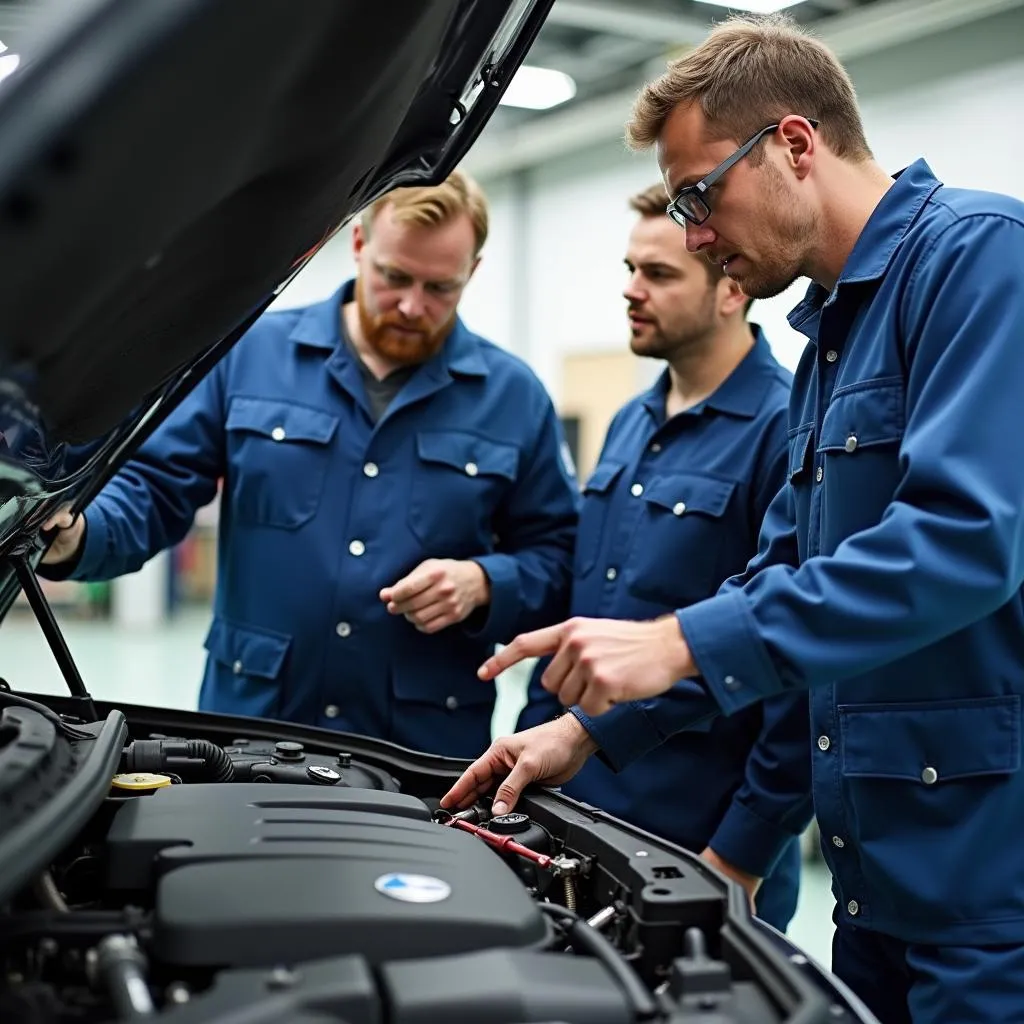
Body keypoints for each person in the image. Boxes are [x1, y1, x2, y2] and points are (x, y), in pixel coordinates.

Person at [442, 14, 1024, 1023]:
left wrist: (674, 641)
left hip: (986, 887)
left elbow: (962, 541)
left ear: (795, 145)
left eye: (700, 196)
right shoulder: (832, 338)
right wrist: (586, 729)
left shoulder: (981, 262)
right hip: (877, 882)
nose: (696, 232)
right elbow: (780, 570)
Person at [41, 170, 578, 760]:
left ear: (471, 272)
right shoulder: (248, 353)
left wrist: (484, 583)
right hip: (252, 732)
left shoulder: (513, 397)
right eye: (394, 276)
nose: (410, 304)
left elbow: (557, 557)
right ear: (357, 244)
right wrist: (79, 535)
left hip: (417, 750)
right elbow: (156, 487)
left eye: (439, 288)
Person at [516, 182, 808, 932]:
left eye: (660, 274)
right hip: (578, 814)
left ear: (731, 290)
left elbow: (800, 670)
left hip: (697, 842)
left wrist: (741, 854)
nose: (630, 290)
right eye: (630, 267)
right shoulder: (627, 423)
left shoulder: (783, 430)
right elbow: (583, 614)